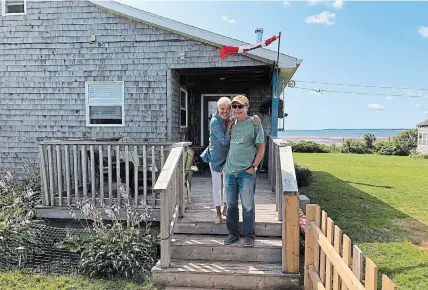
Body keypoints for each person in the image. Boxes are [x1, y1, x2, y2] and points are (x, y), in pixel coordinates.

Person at [201, 97, 260, 225]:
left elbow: (243, 117)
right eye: (222, 109)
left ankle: (225, 208)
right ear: (217, 109)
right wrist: (229, 126)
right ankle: (217, 213)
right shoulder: (215, 122)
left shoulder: (230, 118)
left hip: (228, 158)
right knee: (217, 186)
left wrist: (255, 117)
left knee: (227, 185)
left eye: (228, 108)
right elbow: (224, 141)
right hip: (216, 158)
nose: (226, 111)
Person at [222, 95, 265, 247]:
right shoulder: (232, 123)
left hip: (246, 172)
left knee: (248, 206)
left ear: (247, 107)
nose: (237, 109)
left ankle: (249, 236)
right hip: (229, 172)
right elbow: (226, 141)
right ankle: (233, 234)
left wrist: (254, 167)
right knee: (231, 205)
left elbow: (261, 148)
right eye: (234, 107)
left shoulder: (254, 123)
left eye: (240, 106)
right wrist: (229, 126)